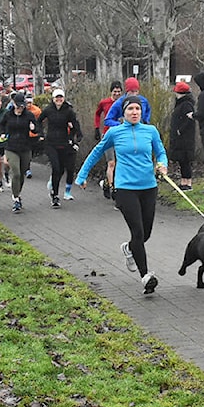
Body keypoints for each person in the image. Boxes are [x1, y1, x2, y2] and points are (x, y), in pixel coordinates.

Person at [75, 95, 168, 294]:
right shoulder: (115, 133)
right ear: (123, 113)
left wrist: (162, 165)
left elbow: (161, 153)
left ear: (142, 112)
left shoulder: (150, 131)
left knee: (146, 232)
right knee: (138, 232)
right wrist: (82, 175)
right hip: (125, 188)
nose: (134, 112)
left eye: (137, 109)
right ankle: (146, 276)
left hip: (149, 187)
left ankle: (129, 248)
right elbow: (96, 152)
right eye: (130, 109)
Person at [38, 88, 83, 207]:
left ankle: (57, 190)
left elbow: (75, 125)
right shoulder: (48, 110)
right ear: (53, 99)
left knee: (62, 169)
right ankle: (55, 195)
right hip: (51, 143)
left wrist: (76, 137)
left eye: (61, 97)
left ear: (63, 99)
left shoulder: (68, 111)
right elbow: (38, 121)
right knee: (56, 168)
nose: (59, 100)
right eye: (57, 98)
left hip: (63, 143)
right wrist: (41, 134)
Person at [2, 91, 39, 213]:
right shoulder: (8, 115)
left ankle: (18, 193)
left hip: (25, 147)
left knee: (22, 173)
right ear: (13, 104)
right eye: (18, 106)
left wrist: (33, 128)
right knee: (16, 173)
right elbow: (0, 126)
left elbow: (38, 128)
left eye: (22, 106)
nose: (20, 108)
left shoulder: (28, 115)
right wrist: (2, 134)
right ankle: (15, 198)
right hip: (11, 147)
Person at [94, 81, 122, 199]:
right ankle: (112, 188)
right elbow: (97, 114)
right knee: (111, 163)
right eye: (114, 92)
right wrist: (96, 128)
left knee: (120, 163)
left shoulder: (124, 103)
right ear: (111, 92)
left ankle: (107, 182)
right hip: (107, 135)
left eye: (119, 92)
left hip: (121, 136)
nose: (116, 94)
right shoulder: (104, 102)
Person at [169, 81, 196, 190]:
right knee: (182, 160)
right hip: (180, 137)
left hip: (185, 138)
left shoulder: (186, 105)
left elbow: (189, 120)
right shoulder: (181, 104)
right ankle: (183, 181)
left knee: (185, 160)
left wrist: (180, 130)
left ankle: (188, 182)